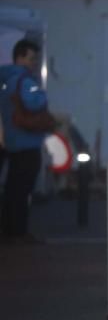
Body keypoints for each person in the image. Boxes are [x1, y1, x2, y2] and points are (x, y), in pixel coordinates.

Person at [0, 39, 55, 243]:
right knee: (22, 189)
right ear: (20, 57)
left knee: (12, 188)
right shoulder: (23, 80)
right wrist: (41, 94)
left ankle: (8, 229)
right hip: (27, 140)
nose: (34, 62)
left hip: (12, 141)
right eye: (31, 58)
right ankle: (18, 232)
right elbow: (34, 103)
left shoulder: (5, 78)